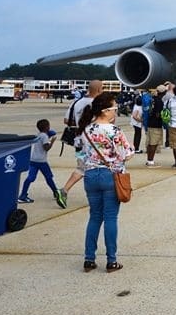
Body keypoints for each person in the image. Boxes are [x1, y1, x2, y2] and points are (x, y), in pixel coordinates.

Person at [79, 93, 133, 272]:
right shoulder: (114, 131)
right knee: (110, 218)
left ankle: (89, 258)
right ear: (105, 111)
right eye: (114, 109)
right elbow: (127, 152)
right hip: (110, 175)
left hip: (90, 175)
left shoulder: (86, 129)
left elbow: (81, 153)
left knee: (94, 217)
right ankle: (111, 260)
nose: (115, 112)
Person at [58, 80, 103, 207]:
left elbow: (66, 120)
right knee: (95, 168)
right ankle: (66, 191)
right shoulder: (97, 104)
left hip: (79, 140)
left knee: (83, 168)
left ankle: (65, 191)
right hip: (94, 142)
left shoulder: (76, 102)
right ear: (99, 90)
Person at [17, 119, 66, 207]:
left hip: (33, 160)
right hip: (42, 161)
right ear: (47, 127)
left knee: (30, 178)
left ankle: (22, 195)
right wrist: (52, 142)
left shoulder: (39, 135)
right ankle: (56, 192)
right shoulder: (44, 137)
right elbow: (46, 148)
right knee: (49, 177)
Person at [143, 90, 165, 167]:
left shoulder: (151, 100)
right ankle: (151, 161)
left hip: (149, 123)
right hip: (156, 125)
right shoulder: (159, 102)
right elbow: (158, 114)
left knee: (149, 143)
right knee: (154, 144)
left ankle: (148, 160)